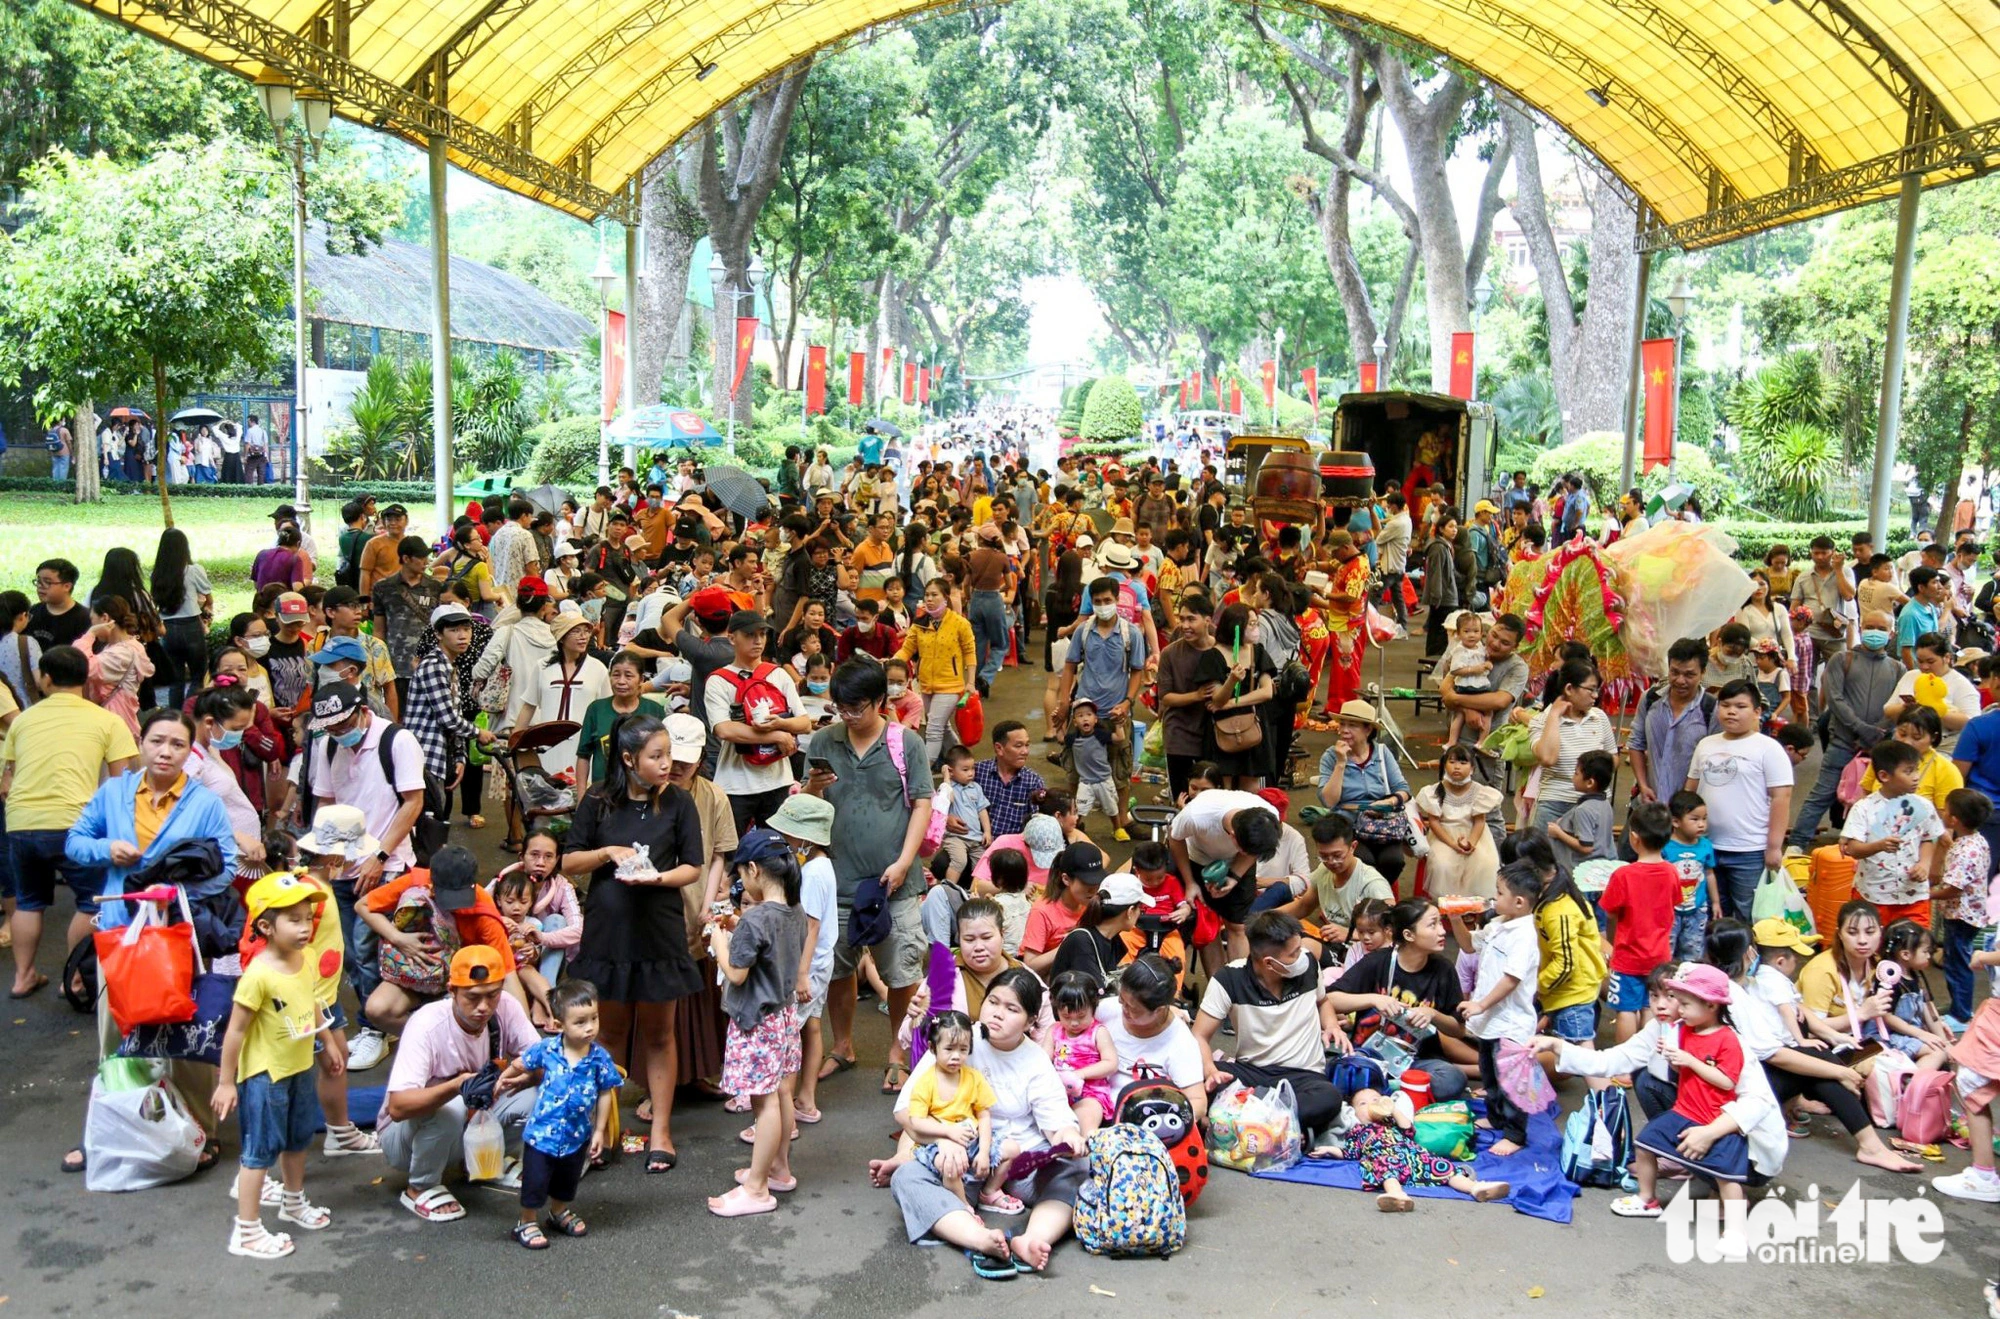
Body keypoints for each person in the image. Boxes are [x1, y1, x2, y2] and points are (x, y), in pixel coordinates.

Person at [561, 714, 704, 1171]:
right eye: (656, 756)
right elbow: (568, 862)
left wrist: (659, 877)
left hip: (659, 929)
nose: (667, 764)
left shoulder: (679, 803)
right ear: (628, 759)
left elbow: (693, 867)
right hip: (609, 932)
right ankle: (604, 1127)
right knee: (610, 1032)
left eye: (668, 755)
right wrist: (607, 853)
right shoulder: (598, 802)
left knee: (661, 1033)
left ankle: (661, 1129)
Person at [888, 970, 1086, 1277]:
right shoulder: (958, 1039)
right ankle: (981, 1239)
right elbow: (905, 1111)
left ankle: (1032, 1240)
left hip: (1020, 1163)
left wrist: (1069, 1135)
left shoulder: (1035, 1060)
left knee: (1078, 1169)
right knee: (907, 1177)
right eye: (993, 1001)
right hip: (962, 1159)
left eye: (1012, 1009)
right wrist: (944, 1140)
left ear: (1032, 1020)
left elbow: (1056, 1121)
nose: (997, 1013)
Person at [801, 659, 934, 1090]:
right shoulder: (823, 739)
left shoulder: (905, 743)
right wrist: (813, 788)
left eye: (856, 706)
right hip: (835, 882)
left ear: (880, 701)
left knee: (900, 973)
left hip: (893, 882)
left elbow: (922, 805)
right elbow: (807, 807)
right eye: (840, 705)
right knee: (837, 971)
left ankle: (898, 1052)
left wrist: (902, 863)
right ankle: (843, 1046)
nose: (847, 714)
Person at [3, 648, 139, 999]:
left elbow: (10, 779)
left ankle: (23, 977)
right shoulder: (106, 720)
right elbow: (121, 782)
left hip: (20, 822)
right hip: (74, 824)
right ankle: (73, 977)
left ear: (46, 679)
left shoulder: (23, 720)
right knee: (91, 902)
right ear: (85, 679)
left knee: (28, 900)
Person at [213, 874, 335, 1260]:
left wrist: (327, 1042)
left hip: (299, 1066)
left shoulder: (304, 959)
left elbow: (311, 1001)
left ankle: (293, 1201)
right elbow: (235, 1031)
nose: (305, 927)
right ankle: (246, 1231)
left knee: (299, 1138)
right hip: (266, 1075)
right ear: (265, 926)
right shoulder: (258, 974)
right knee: (259, 1151)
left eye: (307, 917)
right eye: (294, 920)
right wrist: (226, 1082)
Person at [377, 946, 541, 1223]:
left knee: (538, 1093)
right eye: (472, 997)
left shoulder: (506, 1008)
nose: (484, 1007)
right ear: (452, 990)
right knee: (452, 1106)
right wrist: (454, 1086)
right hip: (405, 1138)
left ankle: (485, 1162)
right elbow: (398, 1107)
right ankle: (420, 1186)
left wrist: (528, 1074)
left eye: (493, 995)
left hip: (473, 1122)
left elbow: (543, 1058)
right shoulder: (427, 1024)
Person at [1606, 964, 1752, 1230]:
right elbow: (1679, 1071)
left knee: (1726, 1176)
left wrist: (1690, 1061)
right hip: (1684, 1110)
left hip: (1715, 1117)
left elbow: (1728, 1080)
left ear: (1711, 1006)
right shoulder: (1684, 1030)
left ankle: (1736, 1229)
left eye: (1684, 1003)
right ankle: (1647, 1199)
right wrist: (1672, 1058)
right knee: (1645, 1143)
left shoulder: (1727, 1039)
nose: (1679, 1010)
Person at [706, 846, 806, 1217]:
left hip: (757, 1022)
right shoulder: (794, 910)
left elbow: (736, 973)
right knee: (781, 1093)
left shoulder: (756, 919)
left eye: (741, 875)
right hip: (783, 1015)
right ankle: (777, 1168)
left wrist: (719, 944)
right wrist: (738, 932)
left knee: (762, 1103)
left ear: (753, 870)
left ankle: (757, 1188)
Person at [1194, 910, 1349, 1141]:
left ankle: (1238, 1119)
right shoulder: (1228, 979)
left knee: (1329, 1098)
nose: (1301, 956)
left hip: (1303, 1076)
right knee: (1191, 1078)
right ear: (1269, 963)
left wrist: (1332, 1025)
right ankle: (1279, 1125)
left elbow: (1323, 1001)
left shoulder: (1308, 964)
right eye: (1293, 953)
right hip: (1252, 1072)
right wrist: (1210, 1070)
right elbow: (1199, 1035)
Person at [1325, 898, 1473, 1100]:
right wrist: (1374, 999)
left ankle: (1377, 1088)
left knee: (1452, 1079)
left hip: (1416, 1061)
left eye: (1440, 923)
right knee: (1337, 1069)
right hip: (1370, 1055)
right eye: (1433, 924)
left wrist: (1433, 1014)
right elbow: (1331, 999)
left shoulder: (1444, 969)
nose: (1442, 931)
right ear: (1408, 935)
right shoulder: (1378, 961)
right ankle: (1397, 1089)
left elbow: (1457, 1029)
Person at [1688, 679, 1796, 918]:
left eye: (1740, 706)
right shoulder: (1706, 745)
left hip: (1750, 850)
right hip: (1707, 846)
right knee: (1712, 913)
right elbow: (1691, 792)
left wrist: (1774, 847)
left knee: (1752, 915)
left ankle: (1751, 956)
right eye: (1725, 705)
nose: (1731, 711)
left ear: (1757, 712)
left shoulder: (1769, 749)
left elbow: (1781, 798)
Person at [1840, 738, 1944, 928]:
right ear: (1884, 776)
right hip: (1874, 896)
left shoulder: (1924, 806)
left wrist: (1924, 863)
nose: (1916, 776)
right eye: (1908, 771)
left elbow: (1930, 837)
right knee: (1873, 948)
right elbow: (1853, 849)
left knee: (1913, 948)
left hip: (1913, 895)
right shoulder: (1864, 808)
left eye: (1916, 770)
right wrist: (1878, 846)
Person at [1599, 801, 1679, 1042]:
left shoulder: (1623, 875)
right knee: (1650, 1005)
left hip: (1627, 956)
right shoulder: (1672, 872)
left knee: (1625, 1009)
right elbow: (1674, 902)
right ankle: (1647, 1057)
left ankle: (1624, 1064)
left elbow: (1610, 913)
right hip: (1660, 954)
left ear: (1634, 838)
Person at [1314, 700, 1412, 886]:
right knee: (1363, 861)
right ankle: (1364, 901)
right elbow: (1328, 801)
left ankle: (1377, 899)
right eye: (1342, 724)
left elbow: (1404, 789)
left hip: (1382, 825)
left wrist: (1388, 803)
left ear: (1368, 730)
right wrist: (1341, 763)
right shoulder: (1330, 756)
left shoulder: (1382, 753)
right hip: (1348, 823)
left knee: (1393, 861)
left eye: (1352, 725)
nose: (1344, 730)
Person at [897, 577, 977, 765]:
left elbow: (970, 652)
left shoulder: (959, 623)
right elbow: (907, 649)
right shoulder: (920, 623)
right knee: (943, 726)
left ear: (946, 597)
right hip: (926, 685)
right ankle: (964, 763)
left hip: (950, 685)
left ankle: (923, 767)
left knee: (933, 728)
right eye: (927, 595)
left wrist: (971, 682)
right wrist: (892, 662)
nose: (929, 599)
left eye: (934, 595)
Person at [1411, 745, 1502, 899]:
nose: (1457, 767)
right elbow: (1434, 823)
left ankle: (1472, 905)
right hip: (1444, 836)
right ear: (1444, 765)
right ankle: (1448, 906)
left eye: (1463, 763)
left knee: (1486, 863)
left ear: (1472, 768)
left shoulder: (1479, 791)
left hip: (1473, 835)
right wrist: (1453, 845)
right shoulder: (1434, 792)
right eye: (1452, 762)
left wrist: (1470, 844)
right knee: (1443, 865)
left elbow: (1480, 822)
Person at [151, 527, 212, 711]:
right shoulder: (193, 570)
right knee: (197, 675)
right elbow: (208, 596)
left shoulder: (157, 574)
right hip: (191, 626)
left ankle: (175, 714)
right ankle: (190, 711)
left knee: (175, 680)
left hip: (167, 628)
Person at [83, 596, 153, 738]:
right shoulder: (126, 646)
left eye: (92, 620)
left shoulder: (121, 653)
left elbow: (82, 666)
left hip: (115, 723)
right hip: (119, 719)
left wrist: (90, 635)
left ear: (104, 618)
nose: (91, 625)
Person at [1545, 750, 1617, 874]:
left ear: (1590, 782)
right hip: (1600, 867)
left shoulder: (1583, 810)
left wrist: (1558, 833)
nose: (1573, 777)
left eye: (1576, 773)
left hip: (1582, 870)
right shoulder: (1605, 804)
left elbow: (1586, 847)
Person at [972, 721, 1046, 840]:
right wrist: (949, 818)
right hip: (976, 842)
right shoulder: (976, 773)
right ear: (999, 748)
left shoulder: (1034, 781)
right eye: (1018, 746)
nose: (1025, 751)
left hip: (1012, 850)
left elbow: (1038, 823)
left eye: (1027, 745)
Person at [27, 558, 90, 652]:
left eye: (47, 582)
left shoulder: (84, 618)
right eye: (39, 581)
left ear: (67, 586)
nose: (40, 586)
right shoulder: (32, 612)